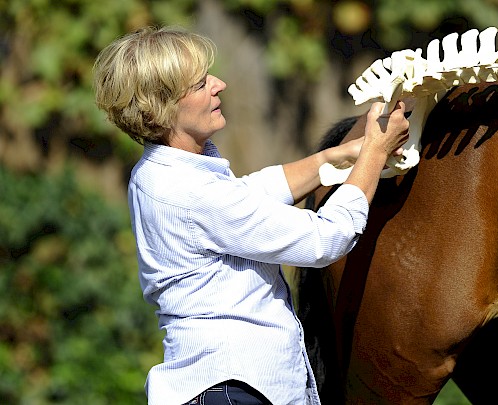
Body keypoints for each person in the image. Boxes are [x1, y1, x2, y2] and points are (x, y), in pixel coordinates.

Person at [93, 26, 409, 405]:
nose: (219, 84)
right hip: (235, 390)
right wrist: (375, 153)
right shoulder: (189, 192)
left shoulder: (161, 173)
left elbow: (245, 196)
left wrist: (330, 159)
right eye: (199, 84)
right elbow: (324, 240)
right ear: (162, 108)